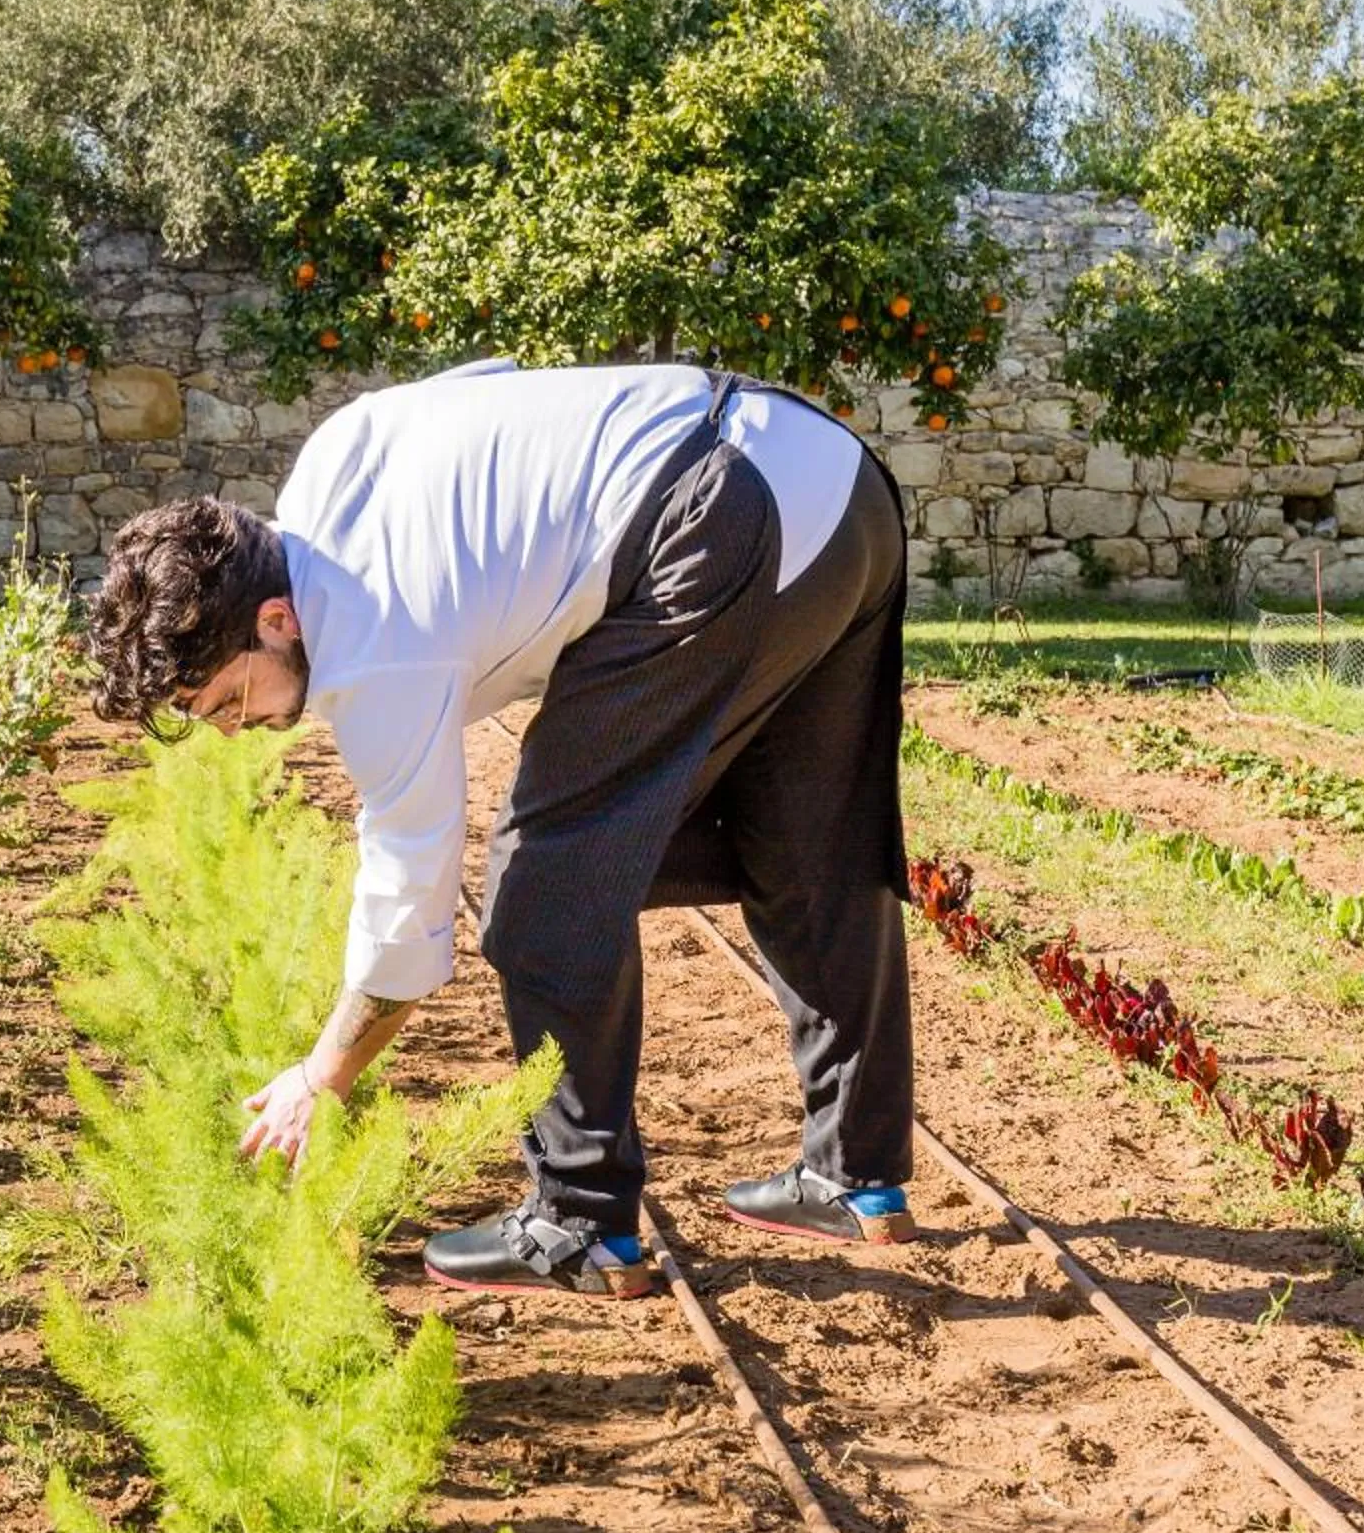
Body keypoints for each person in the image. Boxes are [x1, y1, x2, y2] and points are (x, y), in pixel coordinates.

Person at [84, 356, 917, 1297]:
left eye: (229, 701)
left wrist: (322, 1075)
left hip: (716, 515)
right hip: (835, 486)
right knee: (804, 829)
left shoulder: (373, 640)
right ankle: (857, 1178)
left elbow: (410, 896)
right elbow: (493, 386)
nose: (237, 731)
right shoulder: (327, 472)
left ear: (276, 619)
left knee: (546, 879)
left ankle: (579, 1226)